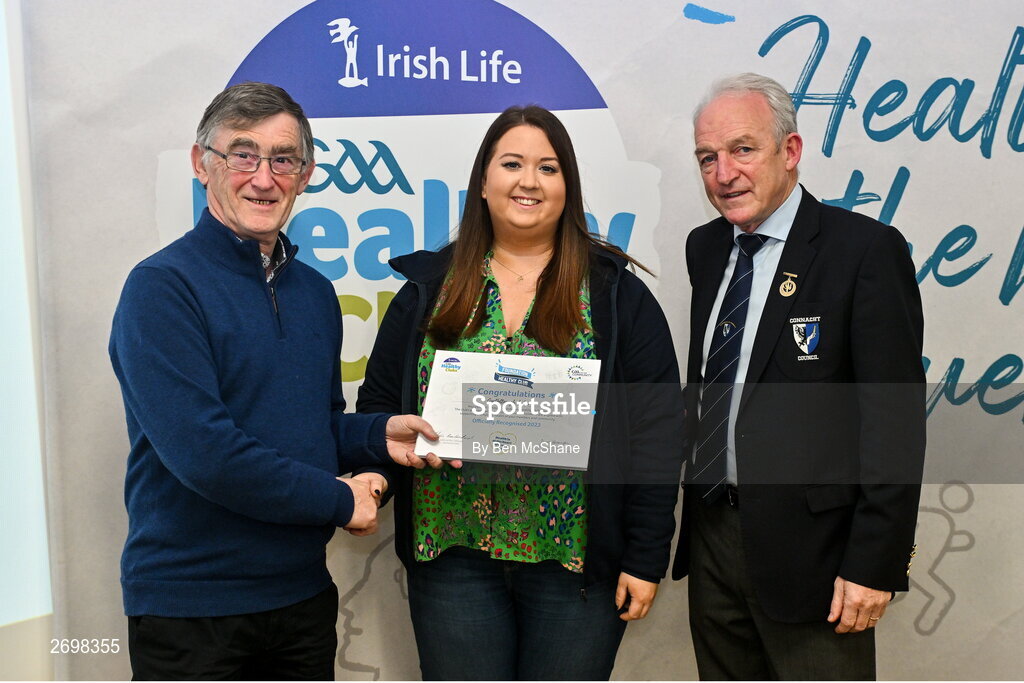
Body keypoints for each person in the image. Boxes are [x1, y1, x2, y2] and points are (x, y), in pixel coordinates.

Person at [108, 81, 446, 680]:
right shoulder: (161, 289)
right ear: (201, 164)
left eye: (282, 159)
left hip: (300, 601)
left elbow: (307, 428)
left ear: (306, 173)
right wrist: (339, 499)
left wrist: (377, 436)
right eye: (242, 154)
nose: (263, 178)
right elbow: (206, 454)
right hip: (193, 612)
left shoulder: (314, 293)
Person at [356, 105, 684, 680]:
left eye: (548, 167)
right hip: (452, 558)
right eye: (512, 163)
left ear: (567, 186)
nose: (528, 181)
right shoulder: (427, 291)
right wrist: (375, 478)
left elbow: (657, 436)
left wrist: (646, 555)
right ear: (484, 182)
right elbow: (380, 409)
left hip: (575, 567)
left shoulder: (615, 297)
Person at [671, 73, 926, 680]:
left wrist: (875, 563)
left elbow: (895, 427)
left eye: (742, 150)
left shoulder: (864, 251)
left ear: (790, 151)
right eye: (708, 158)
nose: (723, 173)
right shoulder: (705, 250)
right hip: (712, 543)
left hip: (819, 565)